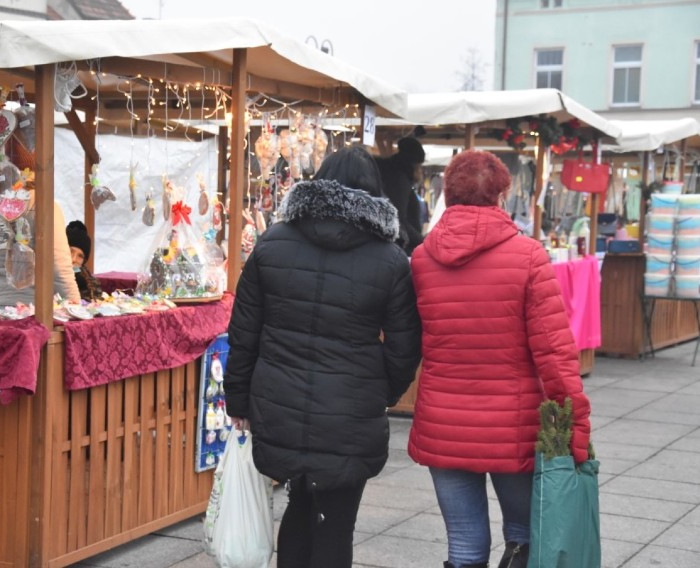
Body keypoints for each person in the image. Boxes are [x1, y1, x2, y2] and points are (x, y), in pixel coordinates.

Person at [224, 145, 422, 568]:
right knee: (336, 520)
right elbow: (406, 346)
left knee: (298, 504)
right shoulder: (390, 260)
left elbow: (243, 333)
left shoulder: (271, 244)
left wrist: (238, 399)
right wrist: (379, 390)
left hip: (279, 402)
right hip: (351, 409)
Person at [407, 150, 592, 568]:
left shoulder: (421, 259)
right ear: (502, 195)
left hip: (444, 422)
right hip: (514, 425)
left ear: (446, 193)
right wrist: (575, 423)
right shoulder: (528, 256)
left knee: (465, 547)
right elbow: (555, 352)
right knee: (525, 538)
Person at [374, 135, 425, 255]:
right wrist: (422, 241)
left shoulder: (392, 175)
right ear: (413, 165)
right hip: (400, 248)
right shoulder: (399, 180)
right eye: (419, 166)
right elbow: (399, 219)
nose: (420, 172)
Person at [65, 220, 103, 301]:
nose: (74, 259)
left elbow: (97, 302)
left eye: (80, 256)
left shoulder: (89, 281)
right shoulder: (46, 276)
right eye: (70, 251)